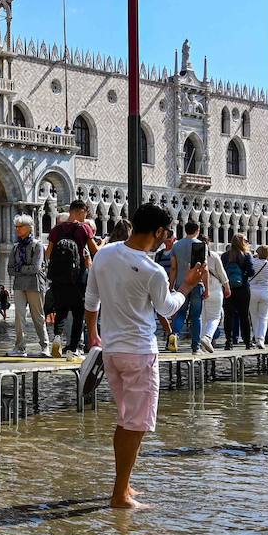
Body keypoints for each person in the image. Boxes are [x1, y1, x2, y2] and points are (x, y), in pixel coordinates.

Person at [84, 202, 205, 509]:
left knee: (126, 420)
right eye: (168, 233)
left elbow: (91, 299)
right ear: (159, 231)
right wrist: (188, 286)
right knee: (135, 424)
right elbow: (167, 308)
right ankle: (120, 494)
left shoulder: (105, 253)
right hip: (139, 352)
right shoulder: (153, 271)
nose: (168, 239)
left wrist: (92, 335)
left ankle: (123, 484)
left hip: (111, 350)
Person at [46, 199, 99, 359]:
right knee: (78, 312)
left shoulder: (56, 230)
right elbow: (95, 251)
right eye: (85, 213)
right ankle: (73, 350)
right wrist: (102, 244)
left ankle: (56, 338)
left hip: (59, 277)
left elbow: (48, 253)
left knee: (61, 309)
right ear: (80, 211)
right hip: (78, 276)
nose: (85, 216)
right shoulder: (84, 228)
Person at [6, 213, 48, 357]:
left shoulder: (38, 246)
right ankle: (20, 347)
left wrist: (20, 269)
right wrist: (24, 269)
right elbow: (9, 269)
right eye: (16, 227)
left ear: (29, 228)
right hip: (19, 285)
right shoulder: (15, 247)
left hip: (34, 285)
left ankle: (45, 346)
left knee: (38, 317)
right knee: (19, 317)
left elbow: (35, 268)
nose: (17, 229)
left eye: (20, 227)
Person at [167, 222, 210, 354]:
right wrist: (207, 288)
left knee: (180, 313)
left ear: (185, 230)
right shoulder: (201, 245)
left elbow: (173, 268)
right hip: (196, 284)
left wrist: (171, 285)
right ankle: (195, 348)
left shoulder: (176, 245)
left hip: (181, 284)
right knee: (196, 316)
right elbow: (205, 269)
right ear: (197, 230)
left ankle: (174, 334)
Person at [221, 235, 254, 350]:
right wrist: (243, 275)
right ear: (242, 243)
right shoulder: (246, 255)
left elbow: (222, 272)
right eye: (246, 240)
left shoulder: (225, 256)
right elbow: (251, 272)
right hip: (243, 288)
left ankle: (228, 342)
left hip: (228, 289)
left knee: (228, 315)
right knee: (244, 315)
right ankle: (247, 342)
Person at [197, 246, 230, 353]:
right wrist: (227, 287)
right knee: (215, 317)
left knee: (202, 318)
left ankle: (200, 345)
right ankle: (208, 337)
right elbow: (221, 273)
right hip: (215, 289)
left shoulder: (193, 257)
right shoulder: (214, 256)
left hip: (200, 288)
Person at [247, 245, 268, 348]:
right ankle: (261, 339)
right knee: (264, 317)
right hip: (266, 292)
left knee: (254, 316)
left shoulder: (253, 262)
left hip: (253, 291)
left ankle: (256, 337)